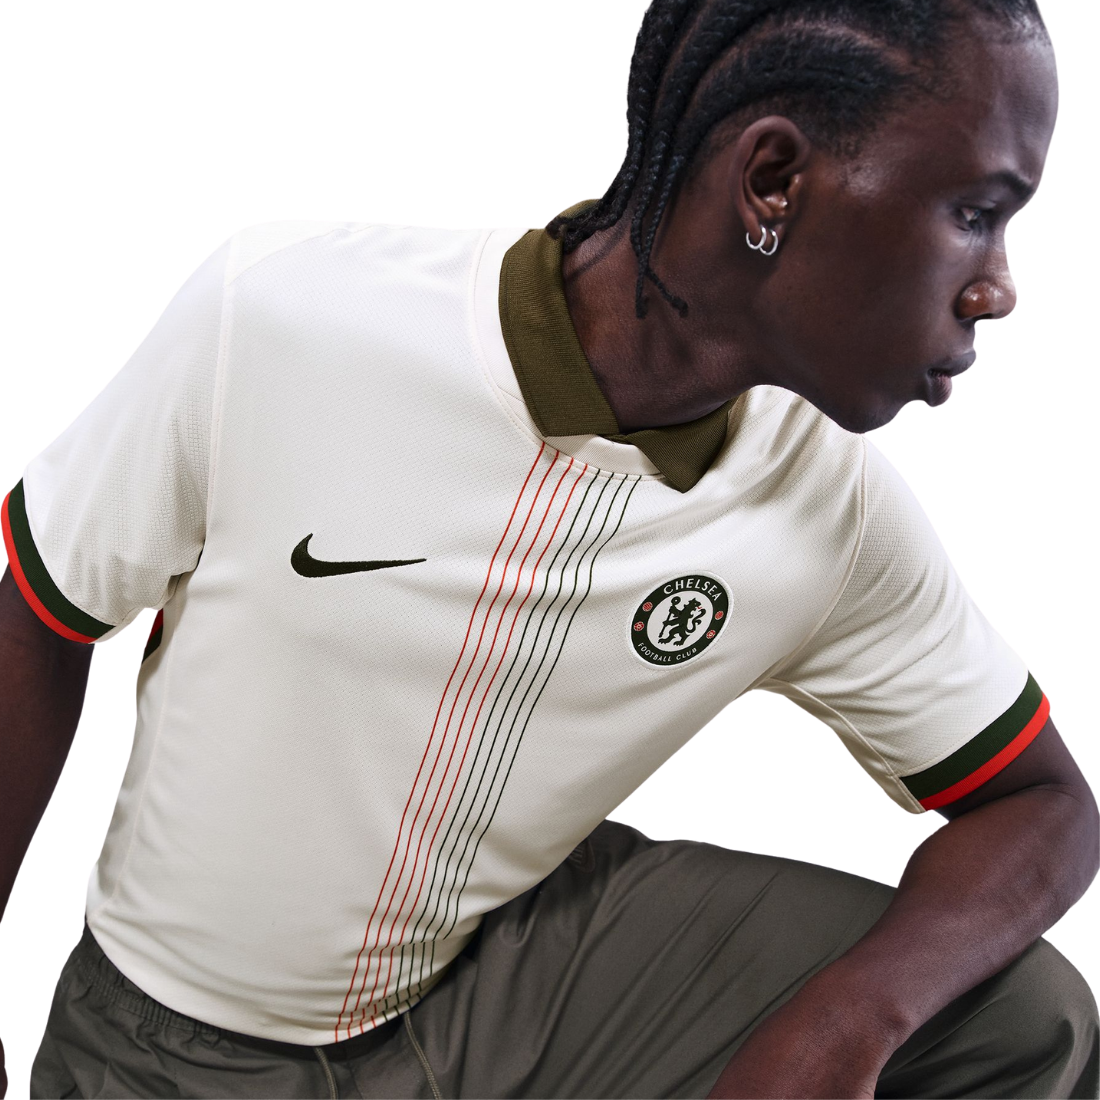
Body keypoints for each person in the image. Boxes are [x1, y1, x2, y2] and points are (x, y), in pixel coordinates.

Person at [1, 0, 1097, 1096]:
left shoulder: (828, 507)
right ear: (772, 181)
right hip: (167, 1040)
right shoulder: (287, 318)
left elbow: (1046, 808)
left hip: (487, 987)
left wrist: (845, 1022)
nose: (996, 288)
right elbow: (42, 613)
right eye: (974, 213)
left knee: (1018, 1016)